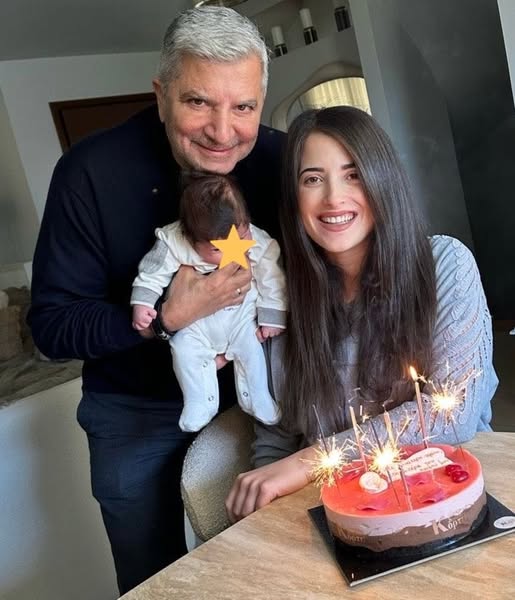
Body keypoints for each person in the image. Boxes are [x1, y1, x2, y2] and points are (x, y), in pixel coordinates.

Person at [27, 6, 285, 594]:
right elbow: (53, 326)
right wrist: (165, 317)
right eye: (198, 102)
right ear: (162, 94)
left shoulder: (282, 160)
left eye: (243, 107)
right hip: (135, 417)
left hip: (266, 393)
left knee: (272, 567)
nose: (223, 131)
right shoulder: (89, 172)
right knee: (156, 581)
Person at [226, 106, 498, 523]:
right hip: (344, 518)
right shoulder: (278, 301)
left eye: (352, 174)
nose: (334, 197)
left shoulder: (445, 264)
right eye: (312, 179)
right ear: (293, 197)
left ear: (382, 179)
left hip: (453, 504)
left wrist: (309, 460)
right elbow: (277, 439)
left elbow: (452, 416)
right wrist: (262, 514)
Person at [131, 173, 286, 432]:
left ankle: (258, 397)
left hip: (240, 315)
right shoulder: (175, 240)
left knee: (252, 350)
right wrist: (143, 303)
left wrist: (273, 314)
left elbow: (272, 276)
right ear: (189, 237)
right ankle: (199, 401)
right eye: (217, 249)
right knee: (183, 350)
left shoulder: (256, 241)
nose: (231, 253)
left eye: (241, 237)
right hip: (195, 322)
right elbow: (153, 271)